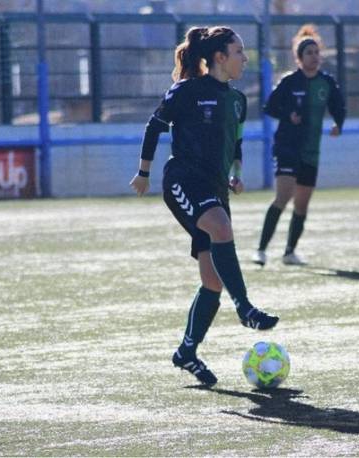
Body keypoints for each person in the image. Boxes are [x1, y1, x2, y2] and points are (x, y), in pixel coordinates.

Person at [130, 26, 279, 387]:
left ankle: (186, 351)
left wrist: (236, 173)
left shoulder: (238, 101)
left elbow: (236, 144)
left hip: (215, 188)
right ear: (219, 57)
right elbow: (154, 126)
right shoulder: (187, 90)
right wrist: (143, 173)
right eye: (239, 52)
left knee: (212, 283)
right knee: (221, 229)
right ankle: (244, 308)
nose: (245, 58)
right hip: (183, 179)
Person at [253, 24, 346, 266]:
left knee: (302, 204)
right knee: (283, 196)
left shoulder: (326, 82)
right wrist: (288, 115)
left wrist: (339, 124)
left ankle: (289, 252)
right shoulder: (289, 82)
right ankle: (261, 250)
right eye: (309, 53)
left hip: (311, 151)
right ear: (299, 58)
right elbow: (269, 107)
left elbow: (339, 105)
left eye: (317, 53)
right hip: (287, 148)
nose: (315, 57)